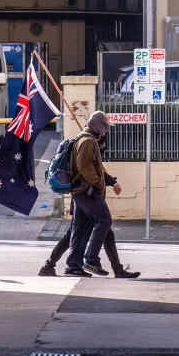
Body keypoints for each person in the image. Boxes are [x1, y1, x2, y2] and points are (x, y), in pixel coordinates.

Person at [62, 111, 139, 278]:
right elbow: (85, 168)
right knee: (104, 220)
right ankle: (91, 259)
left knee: (80, 229)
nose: (106, 131)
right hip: (87, 191)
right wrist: (99, 183)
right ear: (99, 126)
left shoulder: (85, 139)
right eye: (105, 127)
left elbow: (91, 167)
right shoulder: (87, 141)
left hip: (80, 191)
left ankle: (73, 267)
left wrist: (107, 181)